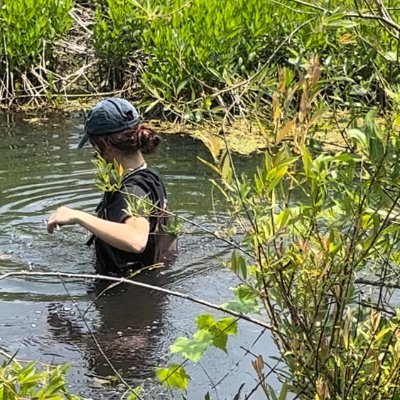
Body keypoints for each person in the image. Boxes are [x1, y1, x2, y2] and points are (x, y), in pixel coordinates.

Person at [47, 98, 176, 276]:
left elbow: (136, 240)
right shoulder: (150, 177)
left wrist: (79, 217)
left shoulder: (130, 190)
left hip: (124, 294)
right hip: (153, 286)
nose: (94, 153)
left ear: (105, 145)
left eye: (94, 146)